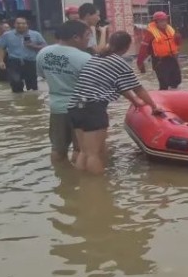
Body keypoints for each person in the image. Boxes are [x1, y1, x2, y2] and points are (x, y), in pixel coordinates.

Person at [69, 32, 164, 175]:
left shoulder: (97, 58)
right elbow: (138, 88)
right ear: (127, 47)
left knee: (84, 151)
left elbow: (121, 86)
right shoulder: (119, 63)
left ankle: (82, 188)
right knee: (94, 154)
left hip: (75, 106)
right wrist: (154, 106)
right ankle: (99, 190)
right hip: (92, 107)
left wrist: (135, 102)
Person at [36, 20, 93, 162]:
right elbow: (93, 86)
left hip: (56, 107)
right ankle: (79, 181)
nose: (89, 40)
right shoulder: (85, 58)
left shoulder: (43, 53)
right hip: (80, 107)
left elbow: (42, 75)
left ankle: (62, 180)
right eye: (87, 35)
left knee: (57, 148)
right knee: (80, 149)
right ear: (75, 37)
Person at [0, 16, 47, 92]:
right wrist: (0, 61)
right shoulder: (7, 35)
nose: (21, 25)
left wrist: (33, 45)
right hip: (14, 62)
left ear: (27, 25)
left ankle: (30, 101)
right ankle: (18, 100)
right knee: (15, 82)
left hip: (31, 62)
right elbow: (1, 48)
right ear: (14, 25)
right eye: (18, 23)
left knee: (32, 88)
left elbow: (45, 46)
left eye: (23, 23)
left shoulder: (35, 34)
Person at [137, 11, 182, 90]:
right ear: (156, 22)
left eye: (165, 20)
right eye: (161, 21)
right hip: (159, 61)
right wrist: (140, 63)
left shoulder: (170, 30)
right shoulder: (150, 33)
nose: (164, 23)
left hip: (172, 58)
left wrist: (178, 38)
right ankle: (163, 97)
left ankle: (174, 97)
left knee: (177, 81)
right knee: (164, 84)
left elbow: (177, 45)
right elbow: (143, 49)